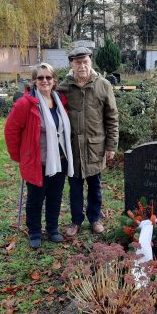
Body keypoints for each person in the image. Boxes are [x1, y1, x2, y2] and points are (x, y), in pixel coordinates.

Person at [5, 63, 74, 248]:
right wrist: (19, 156)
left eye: (48, 77)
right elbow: (11, 130)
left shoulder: (60, 100)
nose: (45, 81)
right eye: (40, 78)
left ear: (54, 81)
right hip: (37, 162)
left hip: (59, 160)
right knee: (36, 198)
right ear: (34, 81)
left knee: (55, 196)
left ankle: (52, 229)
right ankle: (35, 231)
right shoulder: (26, 103)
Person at [59, 47, 119, 236]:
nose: (82, 66)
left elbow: (112, 117)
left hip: (95, 146)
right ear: (71, 65)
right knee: (75, 187)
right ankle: (76, 221)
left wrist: (111, 145)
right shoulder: (64, 87)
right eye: (78, 62)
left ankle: (95, 218)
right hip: (73, 147)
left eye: (85, 61)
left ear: (90, 62)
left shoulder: (103, 85)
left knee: (95, 186)